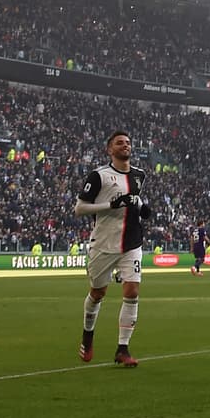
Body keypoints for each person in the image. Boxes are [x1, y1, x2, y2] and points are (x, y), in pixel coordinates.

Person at [75, 130, 153, 367]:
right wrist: (112, 204)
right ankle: (88, 334)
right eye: (120, 143)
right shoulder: (99, 176)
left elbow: (134, 199)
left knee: (132, 292)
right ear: (110, 149)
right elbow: (79, 208)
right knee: (98, 293)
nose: (125, 145)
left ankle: (123, 349)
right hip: (104, 243)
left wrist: (142, 206)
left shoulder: (140, 175)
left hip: (131, 242)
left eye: (128, 142)